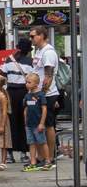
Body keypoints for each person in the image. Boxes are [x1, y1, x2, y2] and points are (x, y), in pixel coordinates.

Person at [0, 39, 32, 163]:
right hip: (24, 93)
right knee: (24, 123)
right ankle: (24, 154)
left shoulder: (9, 60)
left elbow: (2, 76)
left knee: (10, 123)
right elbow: (32, 79)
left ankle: (9, 154)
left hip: (10, 94)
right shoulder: (30, 62)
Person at [30, 26, 59, 169]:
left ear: (41, 36)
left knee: (47, 125)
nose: (31, 39)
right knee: (38, 125)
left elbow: (49, 75)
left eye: (32, 36)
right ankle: (42, 156)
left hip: (47, 94)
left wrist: (42, 93)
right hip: (38, 93)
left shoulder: (48, 52)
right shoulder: (40, 51)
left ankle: (51, 157)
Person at [23, 72, 50, 171]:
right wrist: (26, 123)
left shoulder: (40, 95)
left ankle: (47, 161)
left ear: (36, 83)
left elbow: (44, 109)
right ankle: (33, 161)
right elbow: (25, 110)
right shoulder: (27, 96)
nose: (27, 84)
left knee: (42, 142)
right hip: (29, 124)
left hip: (38, 123)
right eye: (26, 82)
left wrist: (42, 123)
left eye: (29, 82)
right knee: (31, 143)